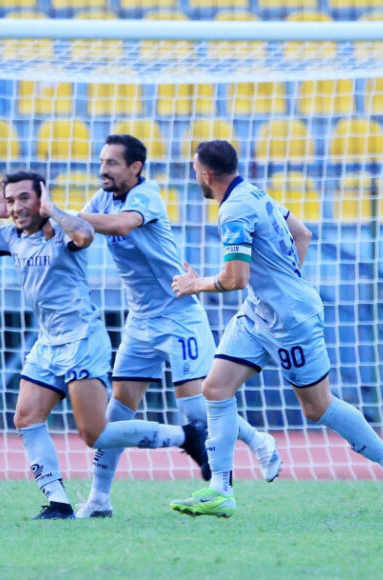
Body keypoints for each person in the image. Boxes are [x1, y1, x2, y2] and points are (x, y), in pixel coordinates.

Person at [168, 140, 383, 519]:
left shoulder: (233, 210)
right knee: (215, 388)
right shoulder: (253, 192)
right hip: (259, 313)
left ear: (205, 174)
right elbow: (303, 234)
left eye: (193, 170)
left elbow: (236, 278)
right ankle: (220, 490)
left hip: (291, 321)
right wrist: (282, 283)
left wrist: (195, 284)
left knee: (317, 406)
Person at [0, 171, 210, 520]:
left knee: (95, 434)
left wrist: (53, 211)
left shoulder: (62, 229)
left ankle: (186, 437)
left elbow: (85, 235)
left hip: (82, 340)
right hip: (48, 344)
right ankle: (58, 503)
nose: (16, 207)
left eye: (24, 198)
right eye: (11, 200)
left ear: (41, 198)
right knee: (26, 417)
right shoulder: (12, 236)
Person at [75, 135, 281, 519]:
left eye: (112, 163)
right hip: (140, 322)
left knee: (197, 411)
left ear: (135, 167)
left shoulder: (147, 195)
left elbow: (121, 226)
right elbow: (82, 232)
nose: (103, 169)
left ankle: (258, 440)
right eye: (101, 162)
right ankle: (99, 499)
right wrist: (49, 222)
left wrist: (63, 213)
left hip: (179, 315)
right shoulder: (100, 199)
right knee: (116, 416)